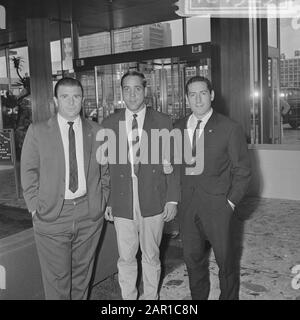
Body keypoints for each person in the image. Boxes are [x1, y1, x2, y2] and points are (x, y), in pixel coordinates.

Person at [21, 77, 110, 300]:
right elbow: (29, 172)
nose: (71, 102)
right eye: (65, 97)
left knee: (82, 277)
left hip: (89, 214)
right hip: (51, 215)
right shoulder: (38, 131)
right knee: (56, 280)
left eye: (76, 97)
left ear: (82, 100)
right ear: (55, 100)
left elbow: (105, 173)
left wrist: (101, 202)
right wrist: (34, 207)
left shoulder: (98, 131)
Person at [101, 70, 180, 300]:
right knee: (125, 257)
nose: (132, 94)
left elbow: (173, 164)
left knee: (151, 255)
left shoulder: (163, 121)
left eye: (137, 88)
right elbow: (105, 168)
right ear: (122, 92)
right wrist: (108, 201)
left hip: (153, 198)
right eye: (127, 89)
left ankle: (151, 299)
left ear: (145, 91)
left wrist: (172, 199)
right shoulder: (110, 123)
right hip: (122, 199)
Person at [175, 76, 251, 300]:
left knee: (226, 263)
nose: (198, 99)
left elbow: (243, 171)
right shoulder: (177, 128)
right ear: (186, 98)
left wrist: (230, 203)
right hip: (187, 208)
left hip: (219, 208)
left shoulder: (230, 128)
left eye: (203, 93)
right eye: (192, 94)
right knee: (192, 261)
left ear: (212, 95)